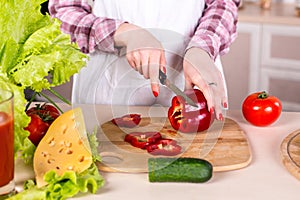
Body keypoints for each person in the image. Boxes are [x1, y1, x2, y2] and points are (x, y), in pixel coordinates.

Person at [48, 0, 240, 121]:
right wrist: (120, 33)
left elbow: (223, 3)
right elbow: (63, 12)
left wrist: (203, 47)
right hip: (105, 94)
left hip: (194, 80)